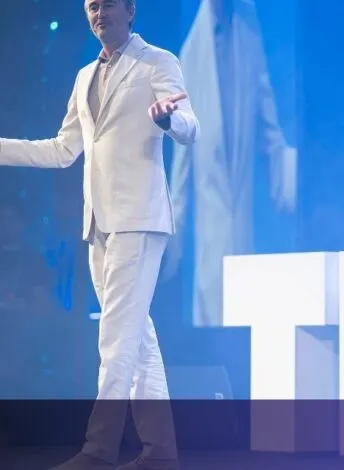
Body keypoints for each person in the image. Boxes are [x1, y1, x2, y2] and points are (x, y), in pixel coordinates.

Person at [0, 0, 200, 468]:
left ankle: (99, 450)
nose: (98, 12)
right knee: (136, 340)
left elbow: (190, 127)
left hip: (139, 221)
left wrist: (167, 119)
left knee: (115, 338)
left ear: (130, 11)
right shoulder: (84, 76)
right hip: (99, 225)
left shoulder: (157, 61)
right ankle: (160, 453)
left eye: (108, 3)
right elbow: (62, 149)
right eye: (91, 5)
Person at [162, 0, 297, 327]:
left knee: (244, 290)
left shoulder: (248, 43)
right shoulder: (191, 57)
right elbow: (181, 157)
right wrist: (173, 221)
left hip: (243, 197)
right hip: (210, 203)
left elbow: (267, 117)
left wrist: (286, 172)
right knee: (212, 285)